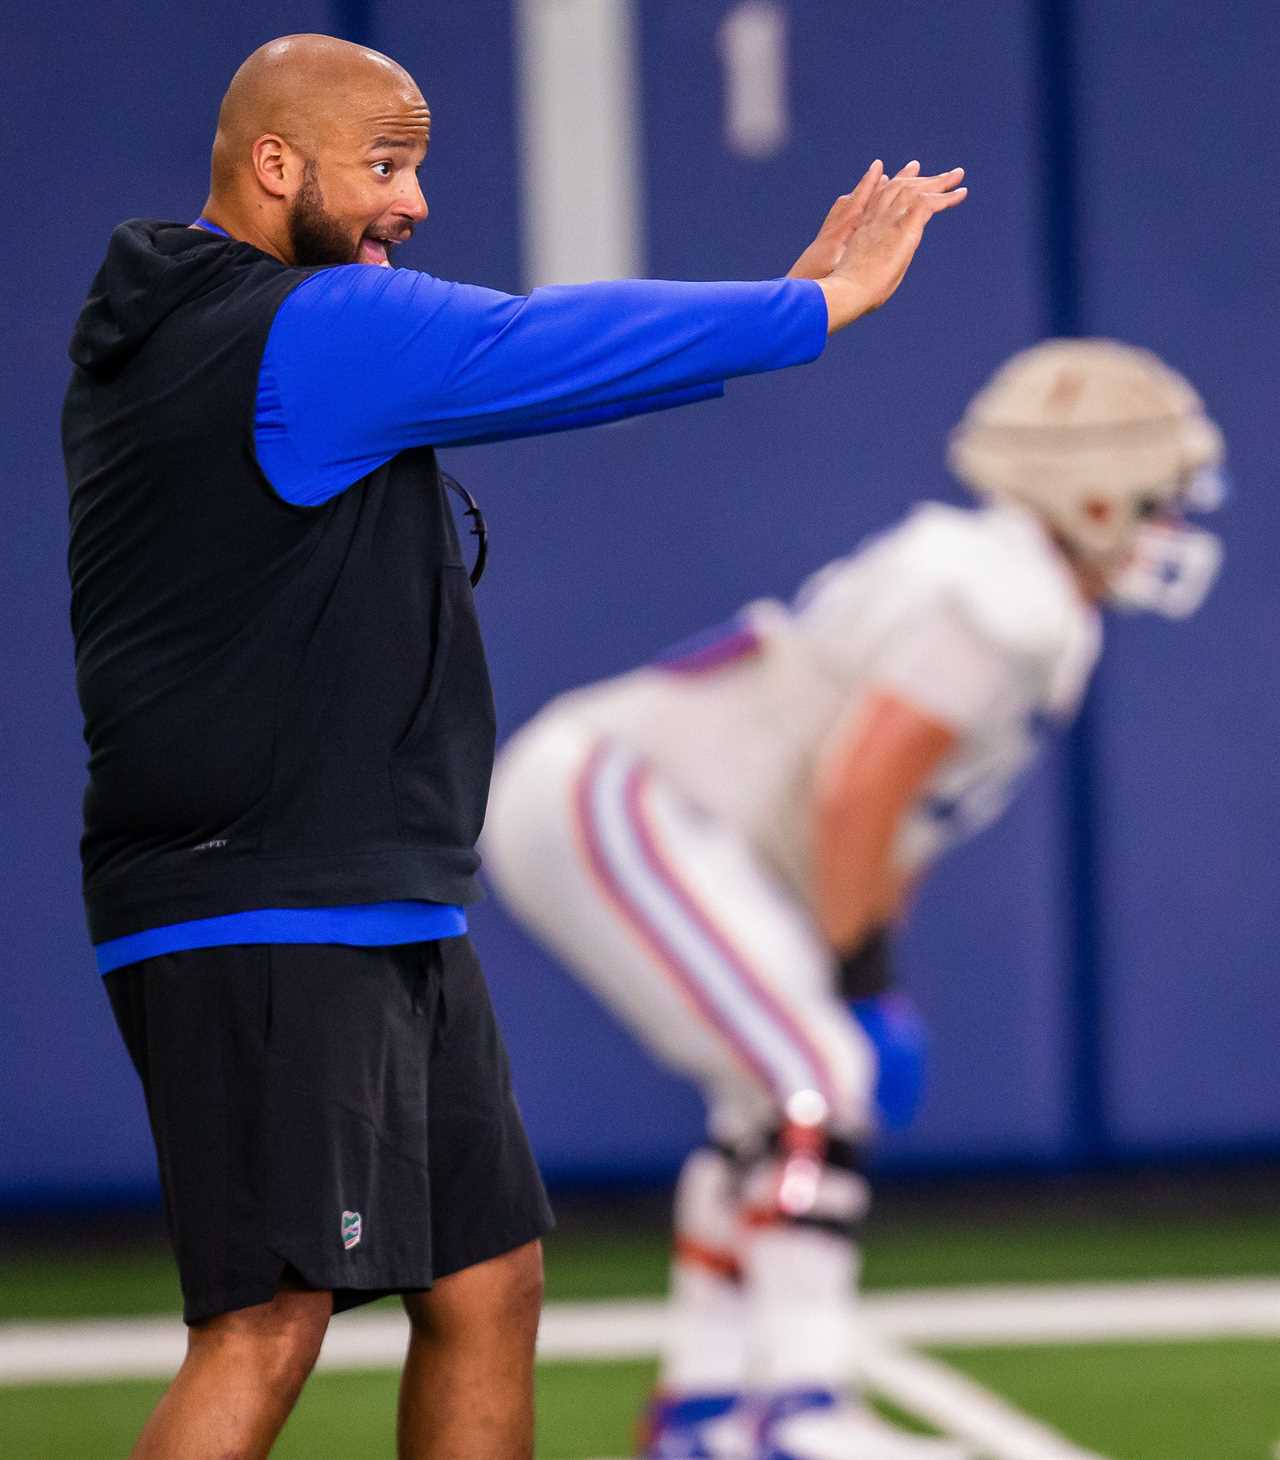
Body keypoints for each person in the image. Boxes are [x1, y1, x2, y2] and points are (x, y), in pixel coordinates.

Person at [61, 29, 966, 1460]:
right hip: (264, 893)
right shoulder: (298, 332)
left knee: (487, 1283)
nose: (414, 200)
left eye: (419, 165)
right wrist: (818, 302)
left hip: (363, 885)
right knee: (270, 1319)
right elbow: (554, 340)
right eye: (386, 165)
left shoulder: (213, 325)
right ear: (274, 164)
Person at [483, 338, 1226, 1459]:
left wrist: (867, 963)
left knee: (774, 1096)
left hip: (654, 807)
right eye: (1158, 496)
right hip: (625, 794)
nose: (1169, 523)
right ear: (1089, 489)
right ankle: (800, 1407)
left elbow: (897, 815)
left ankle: (705, 1409)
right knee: (811, 1075)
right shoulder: (1003, 595)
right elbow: (856, 788)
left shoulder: (1024, 600)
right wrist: (862, 981)